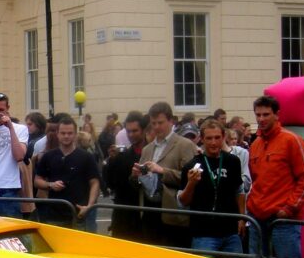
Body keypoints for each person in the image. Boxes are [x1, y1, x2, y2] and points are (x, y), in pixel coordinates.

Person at [247, 95, 304, 258]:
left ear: (277, 115)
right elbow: (256, 179)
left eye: (266, 115)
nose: (261, 119)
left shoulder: (291, 140)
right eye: (258, 115)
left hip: (282, 219)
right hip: (258, 217)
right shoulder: (255, 145)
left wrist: (289, 208)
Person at [178, 120, 245, 258]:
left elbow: (239, 191)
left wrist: (241, 218)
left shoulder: (233, 161)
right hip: (204, 233)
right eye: (209, 138)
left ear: (223, 137)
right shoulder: (192, 166)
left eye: (217, 138)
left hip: (230, 230)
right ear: (202, 139)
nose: (213, 142)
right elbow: (182, 201)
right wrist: (191, 183)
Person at [133, 101, 197, 247]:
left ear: (170, 121)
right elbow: (139, 183)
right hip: (149, 212)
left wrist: (162, 171)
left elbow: (191, 178)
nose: (156, 127)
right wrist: (136, 175)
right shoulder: (147, 149)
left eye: (160, 122)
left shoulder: (184, 145)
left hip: (173, 214)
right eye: (153, 123)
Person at [34, 116, 100, 230]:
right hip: (55, 214)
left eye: (70, 133)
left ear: (75, 134)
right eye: (63, 133)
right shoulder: (48, 156)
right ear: (57, 134)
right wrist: (50, 185)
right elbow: (37, 180)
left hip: (79, 214)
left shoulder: (86, 157)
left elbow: (95, 182)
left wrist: (89, 206)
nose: (66, 136)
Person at [105, 111, 147, 241]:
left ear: (144, 130)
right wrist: (109, 161)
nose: (131, 135)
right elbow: (110, 183)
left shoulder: (152, 153)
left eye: (135, 131)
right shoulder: (121, 156)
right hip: (124, 215)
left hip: (145, 215)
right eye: (128, 131)